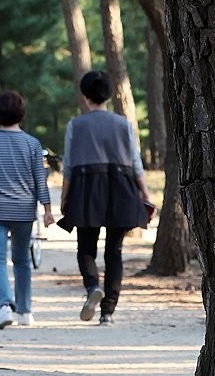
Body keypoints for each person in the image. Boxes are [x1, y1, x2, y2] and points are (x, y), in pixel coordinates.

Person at [59, 70, 151, 326]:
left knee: (86, 248)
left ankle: (92, 288)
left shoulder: (75, 125)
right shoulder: (123, 124)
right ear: (108, 94)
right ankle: (108, 311)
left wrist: (65, 198)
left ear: (85, 95)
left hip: (86, 186)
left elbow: (68, 166)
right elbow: (134, 162)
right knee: (115, 251)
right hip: (120, 186)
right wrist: (144, 192)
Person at [0, 90, 54, 329]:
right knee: (22, 260)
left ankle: (4, 306)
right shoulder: (33, 144)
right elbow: (40, 180)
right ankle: (25, 311)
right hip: (24, 211)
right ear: (21, 115)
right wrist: (47, 210)